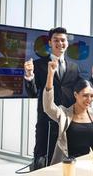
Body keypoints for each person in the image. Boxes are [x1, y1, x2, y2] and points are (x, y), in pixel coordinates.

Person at [43, 59, 93, 164]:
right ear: (76, 95)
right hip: (68, 165)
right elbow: (48, 107)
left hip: (91, 165)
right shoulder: (65, 113)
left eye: (92, 96)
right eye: (85, 95)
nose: (89, 99)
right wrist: (50, 76)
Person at [24, 27, 81, 169]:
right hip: (46, 123)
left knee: (66, 162)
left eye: (63, 40)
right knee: (42, 161)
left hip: (67, 122)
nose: (59, 43)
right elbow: (32, 93)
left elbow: (82, 92)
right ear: (50, 43)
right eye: (56, 40)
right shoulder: (38, 65)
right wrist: (30, 75)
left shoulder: (74, 67)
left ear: (67, 43)